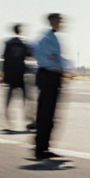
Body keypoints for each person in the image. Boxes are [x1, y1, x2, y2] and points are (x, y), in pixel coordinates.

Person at [33, 13, 66, 160]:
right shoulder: (45, 39)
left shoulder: (52, 38)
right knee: (45, 114)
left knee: (49, 115)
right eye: (59, 21)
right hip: (48, 76)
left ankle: (44, 146)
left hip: (52, 77)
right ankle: (40, 149)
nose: (61, 23)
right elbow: (46, 58)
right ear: (52, 21)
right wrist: (56, 67)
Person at [1, 24, 33, 131]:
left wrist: (4, 75)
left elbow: (4, 59)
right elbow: (30, 54)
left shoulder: (9, 43)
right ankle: (29, 119)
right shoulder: (24, 44)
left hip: (11, 73)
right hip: (20, 73)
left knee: (10, 99)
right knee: (26, 98)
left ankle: (7, 119)